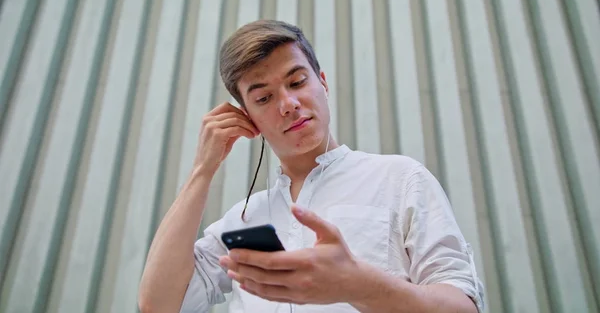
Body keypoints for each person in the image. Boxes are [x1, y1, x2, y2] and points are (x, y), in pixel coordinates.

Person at [138, 20, 485, 313]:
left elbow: (462, 306)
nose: (288, 104)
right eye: (263, 98)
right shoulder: (243, 220)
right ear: (248, 118)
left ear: (323, 82)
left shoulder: (401, 179)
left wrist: (359, 285)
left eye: (297, 81)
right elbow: (159, 304)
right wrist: (202, 169)